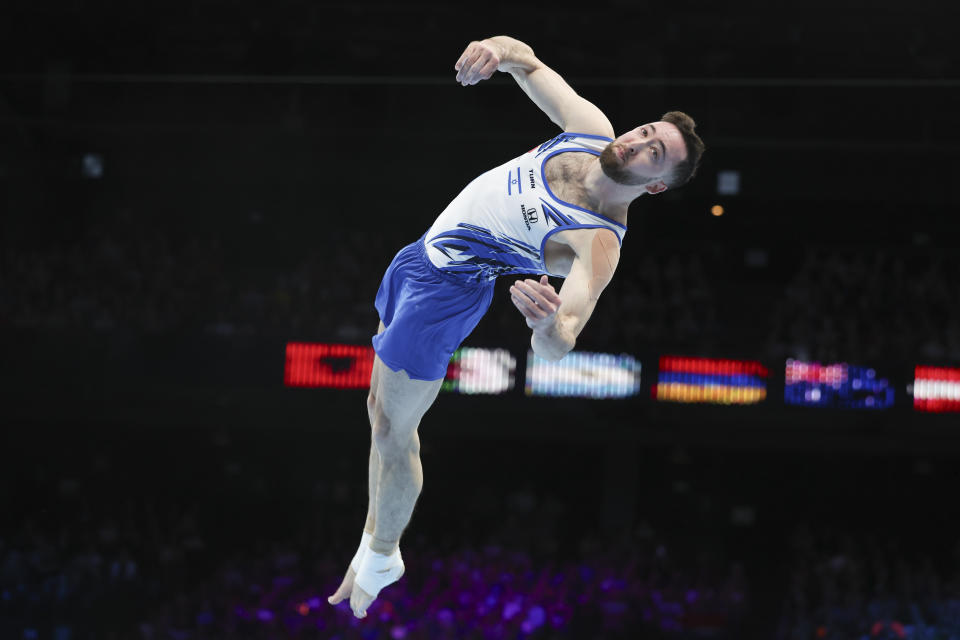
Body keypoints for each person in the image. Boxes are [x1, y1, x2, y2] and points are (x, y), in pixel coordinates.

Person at [327, 35, 705, 619]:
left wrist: (547, 325)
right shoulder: (590, 127)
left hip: (446, 296)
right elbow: (527, 60)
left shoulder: (598, 239)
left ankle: (382, 553)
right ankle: (374, 541)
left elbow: (563, 342)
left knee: (391, 429)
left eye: (655, 154)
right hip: (417, 258)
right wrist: (491, 49)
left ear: (655, 185)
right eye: (647, 132)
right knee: (379, 410)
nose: (638, 143)